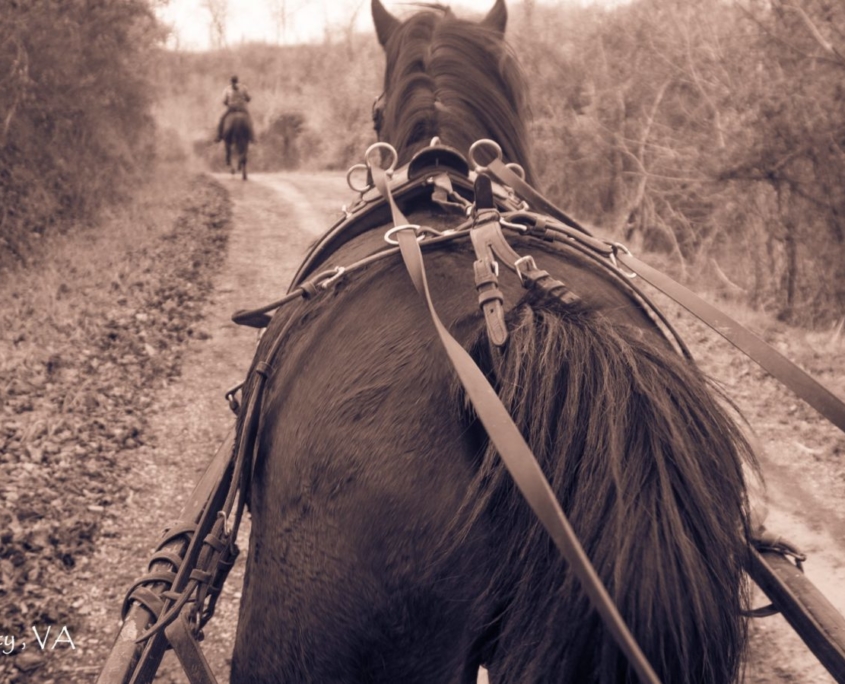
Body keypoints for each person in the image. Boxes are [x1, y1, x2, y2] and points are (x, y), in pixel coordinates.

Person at [215, 75, 255, 143]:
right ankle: (252, 137)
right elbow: (248, 98)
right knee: (249, 120)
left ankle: (219, 136)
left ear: (230, 81)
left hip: (231, 109)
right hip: (242, 108)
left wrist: (228, 104)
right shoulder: (243, 87)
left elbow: (224, 101)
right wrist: (245, 100)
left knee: (222, 119)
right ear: (238, 81)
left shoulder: (227, 89)